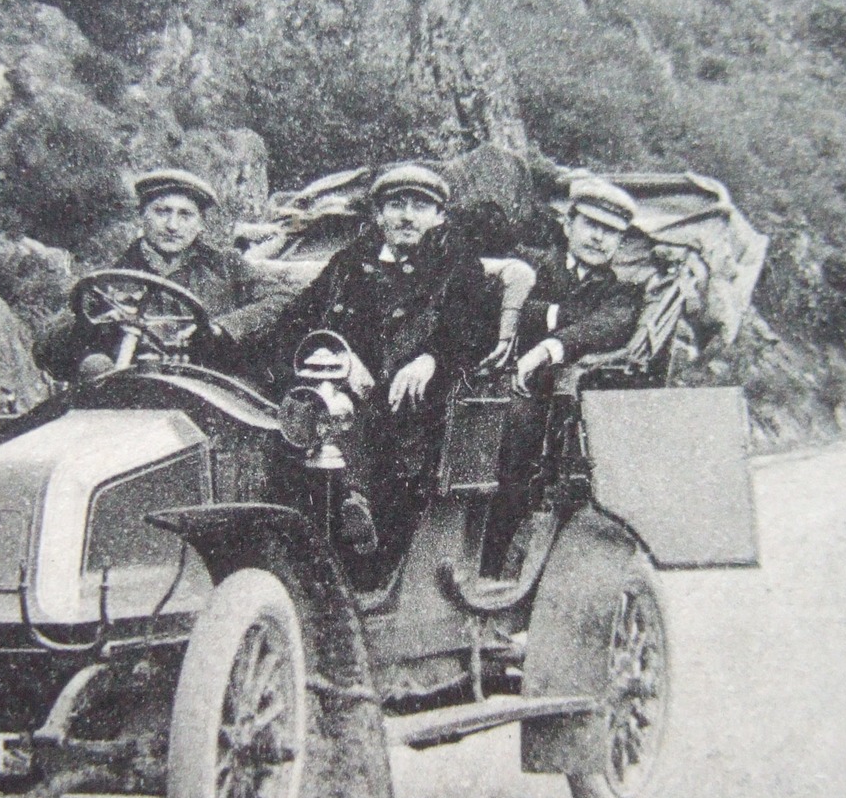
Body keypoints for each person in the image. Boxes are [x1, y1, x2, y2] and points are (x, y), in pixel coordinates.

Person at [257, 163, 534, 574]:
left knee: (385, 423)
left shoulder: (457, 264)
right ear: (379, 215)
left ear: (440, 216)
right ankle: (299, 537)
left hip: (420, 403)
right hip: (342, 389)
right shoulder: (349, 263)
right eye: (396, 205)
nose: (407, 215)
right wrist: (326, 354)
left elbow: (477, 326)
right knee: (293, 417)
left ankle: (357, 512)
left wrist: (433, 358)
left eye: (420, 206)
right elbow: (300, 319)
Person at [481, 177, 668, 574]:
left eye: (611, 232)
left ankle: (495, 567)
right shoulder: (524, 261)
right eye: (592, 225)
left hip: (546, 404)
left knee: (518, 441)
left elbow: (607, 327)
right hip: (487, 379)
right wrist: (558, 317)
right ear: (569, 224)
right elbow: (490, 302)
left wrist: (545, 346)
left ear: (620, 242)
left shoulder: (621, 295)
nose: (599, 238)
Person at [33, 169, 255, 382]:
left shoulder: (226, 265)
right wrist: (98, 321)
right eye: (162, 211)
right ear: (142, 215)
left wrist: (223, 327)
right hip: (135, 392)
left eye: (185, 214)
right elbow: (46, 348)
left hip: (209, 389)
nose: (172, 226)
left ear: (200, 224)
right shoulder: (110, 278)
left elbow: (280, 297)